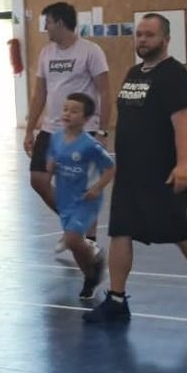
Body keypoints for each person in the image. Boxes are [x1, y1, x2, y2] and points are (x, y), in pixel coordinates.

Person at [85, 14, 187, 325]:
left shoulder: (175, 76)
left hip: (162, 173)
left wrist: (182, 165)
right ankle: (116, 300)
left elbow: (182, 123)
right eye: (139, 34)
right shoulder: (133, 73)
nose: (142, 40)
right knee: (120, 230)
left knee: (180, 233)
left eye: (149, 35)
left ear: (166, 39)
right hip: (130, 173)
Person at [24, 2, 110, 258]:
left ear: (60, 23)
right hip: (51, 129)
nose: (46, 28)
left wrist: (103, 131)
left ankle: (89, 241)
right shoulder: (46, 53)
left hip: (83, 130)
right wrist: (30, 129)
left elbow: (105, 92)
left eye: (48, 23)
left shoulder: (91, 51)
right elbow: (39, 93)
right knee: (38, 180)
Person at [44, 93, 116, 301]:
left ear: (86, 119)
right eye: (65, 109)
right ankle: (91, 275)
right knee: (75, 246)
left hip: (86, 200)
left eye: (74, 111)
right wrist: (50, 167)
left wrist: (97, 188)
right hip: (65, 199)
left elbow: (110, 168)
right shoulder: (56, 138)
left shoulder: (90, 145)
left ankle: (95, 259)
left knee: (72, 239)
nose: (67, 114)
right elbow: (51, 160)